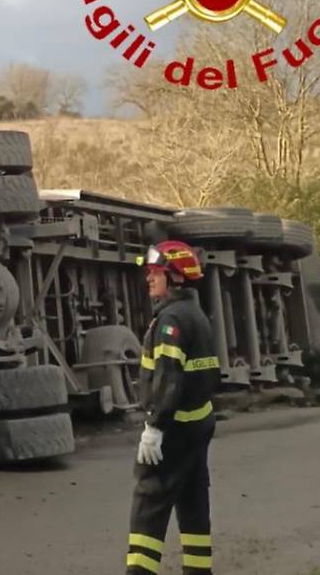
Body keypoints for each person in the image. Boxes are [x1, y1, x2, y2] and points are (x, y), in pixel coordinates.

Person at [125, 240, 218, 575]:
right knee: (193, 505)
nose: (149, 279)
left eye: (157, 273)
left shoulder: (170, 321)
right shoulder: (196, 315)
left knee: (149, 503)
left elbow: (168, 379)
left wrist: (155, 427)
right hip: (198, 425)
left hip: (173, 430)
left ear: (177, 278)